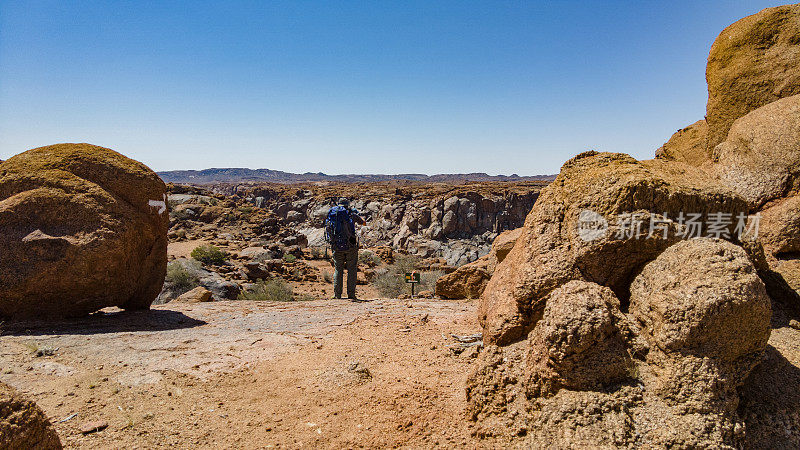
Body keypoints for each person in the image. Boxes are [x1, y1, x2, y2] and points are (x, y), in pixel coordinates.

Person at [324, 198, 365, 300]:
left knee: (338, 269)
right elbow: (363, 223)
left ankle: (337, 295)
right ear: (347, 205)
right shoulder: (351, 215)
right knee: (352, 270)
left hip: (336, 246)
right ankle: (351, 294)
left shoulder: (333, 215)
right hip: (350, 246)